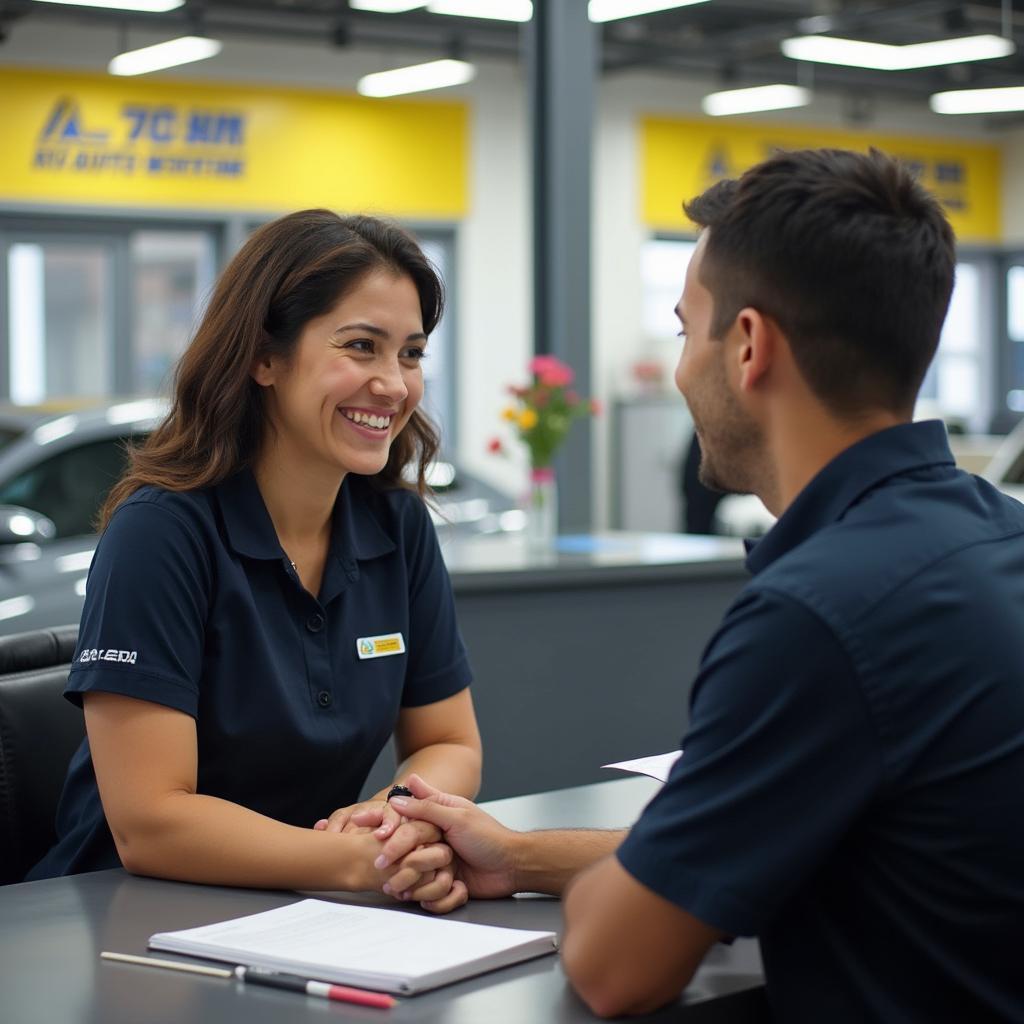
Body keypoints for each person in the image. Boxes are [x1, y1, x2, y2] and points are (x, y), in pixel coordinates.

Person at [359, 149, 1024, 1021]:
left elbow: (613, 965)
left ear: (748, 345)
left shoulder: (818, 615)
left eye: (684, 331)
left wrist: (632, 883)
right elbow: (788, 838)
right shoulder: (996, 538)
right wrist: (518, 857)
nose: (679, 369)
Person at [29, 210, 482, 902]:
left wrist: (393, 821)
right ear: (262, 357)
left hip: (298, 904)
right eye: (361, 346)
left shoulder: (396, 525)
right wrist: (369, 863)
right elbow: (152, 823)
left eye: (411, 353)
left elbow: (452, 742)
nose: (394, 384)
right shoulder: (161, 532)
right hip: (116, 916)